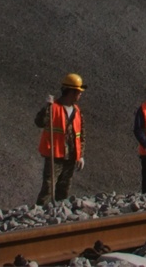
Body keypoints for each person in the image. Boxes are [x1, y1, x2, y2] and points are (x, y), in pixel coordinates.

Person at [35, 72, 86, 205]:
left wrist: (80, 155)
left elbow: (81, 135)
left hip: (70, 157)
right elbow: (39, 122)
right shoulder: (53, 108)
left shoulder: (77, 111)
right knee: (48, 189)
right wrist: (46, 107)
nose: (80, 95)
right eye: (79, 92)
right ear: (71, 92)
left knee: (63, 190)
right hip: (55, 156)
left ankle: (60, 215)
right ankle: (40, 215)